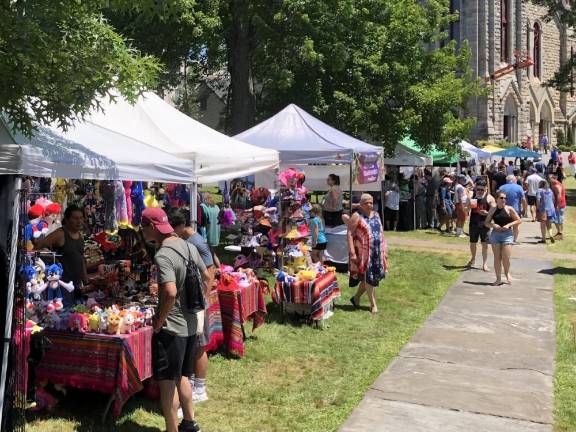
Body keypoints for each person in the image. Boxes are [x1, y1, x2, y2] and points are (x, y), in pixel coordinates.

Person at [141, 207, 211, 432]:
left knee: (167, 384)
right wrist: (201, 305)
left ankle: (172, 429)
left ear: (152, 227)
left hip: (172, 329)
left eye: (143, 227)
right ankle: (190, 423)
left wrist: (160, 320)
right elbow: (208, 276)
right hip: (190, 325)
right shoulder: (188, 246)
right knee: (183, 375)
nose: (142, 232)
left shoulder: (163, 254)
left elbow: (170, 292)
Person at [168, 209, 215, 405]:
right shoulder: (189, 241)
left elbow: (210, 271)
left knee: (199, 345)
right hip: (193, 301)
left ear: (179, 226)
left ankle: (201, 388)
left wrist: (203, 298)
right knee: (194, 344)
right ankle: (195, 383)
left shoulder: (196, 242)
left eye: (173, 229)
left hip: (198, 302)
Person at [34, 204, 88, 306]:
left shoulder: (80, 235)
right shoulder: (60, 234)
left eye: (81, 218)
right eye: (75, 218)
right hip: (62, 284)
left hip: (76, 284)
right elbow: (38, 246)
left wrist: (85, 280)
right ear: (67, 219)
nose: (79, 221)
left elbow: (81, 258)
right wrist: (51, 258)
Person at [344, 194, 387, 314]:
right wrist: (352, 252)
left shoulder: (377, 215)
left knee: (369, 277)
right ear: (361, 204)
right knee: (369, 278)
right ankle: (373, 304)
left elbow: (381, 233)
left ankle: (356, 298)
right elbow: (349, 234)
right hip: (364, 252)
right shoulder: (357, 216)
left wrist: (385, 249)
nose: (369, 205)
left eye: (371, 202)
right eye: (366, 203)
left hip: (377, 251)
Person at [484, 192, 522, 285]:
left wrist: (508, 225)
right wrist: (493, 225)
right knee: (497, 258)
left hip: (507, 235)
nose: (504, 199)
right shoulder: (493, 209)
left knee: (506, 258)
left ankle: (507, 273)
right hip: (496, 235)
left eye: (505, 198)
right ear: (496, 199)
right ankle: (498, 278)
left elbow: (518, 220)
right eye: (501, 198)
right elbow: (486, 222)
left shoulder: (509, 209)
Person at [467, 179, 495, 271]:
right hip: (474, 222)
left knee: (484, 244)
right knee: (473, 242)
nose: (479, 191)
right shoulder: (472, 195)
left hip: (484, 224)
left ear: (486, 189)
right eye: (478, 189)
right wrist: (468, 205)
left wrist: (486, 213)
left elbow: (494, 212)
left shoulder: (489, 198)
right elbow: (467, 209)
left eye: (482, 190)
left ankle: (485, 263)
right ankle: (473, 258)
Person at [498, 174, 526, 243]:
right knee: (515, 226)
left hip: (504, 210)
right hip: (516, 209)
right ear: (514, 180)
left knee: (504, 225)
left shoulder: (501, 187)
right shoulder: (519, 187)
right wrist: (524, 209)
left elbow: (498, 198)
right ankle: (514, 240)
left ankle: (504, 239)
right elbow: (523, 200)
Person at [536, 180, 557, 244]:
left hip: (543, 209)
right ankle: (551, 235)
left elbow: (538, 199)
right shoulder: (550, 190)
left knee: (543, 225)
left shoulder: (539, 190)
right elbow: (553, 199)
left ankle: (543, 239)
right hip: (551, 209)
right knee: (549, 224)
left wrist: (538, 207)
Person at [549, 174, 566, 240]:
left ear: (554, 178)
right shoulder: (554, 184)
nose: (549, 180)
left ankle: (560, 234)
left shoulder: (557, 186)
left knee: (558, 219)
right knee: (558, 219)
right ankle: (559, 233)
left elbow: (559, 196)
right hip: (558, 204)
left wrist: (557, 205)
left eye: (550, 179)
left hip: (559, 205)